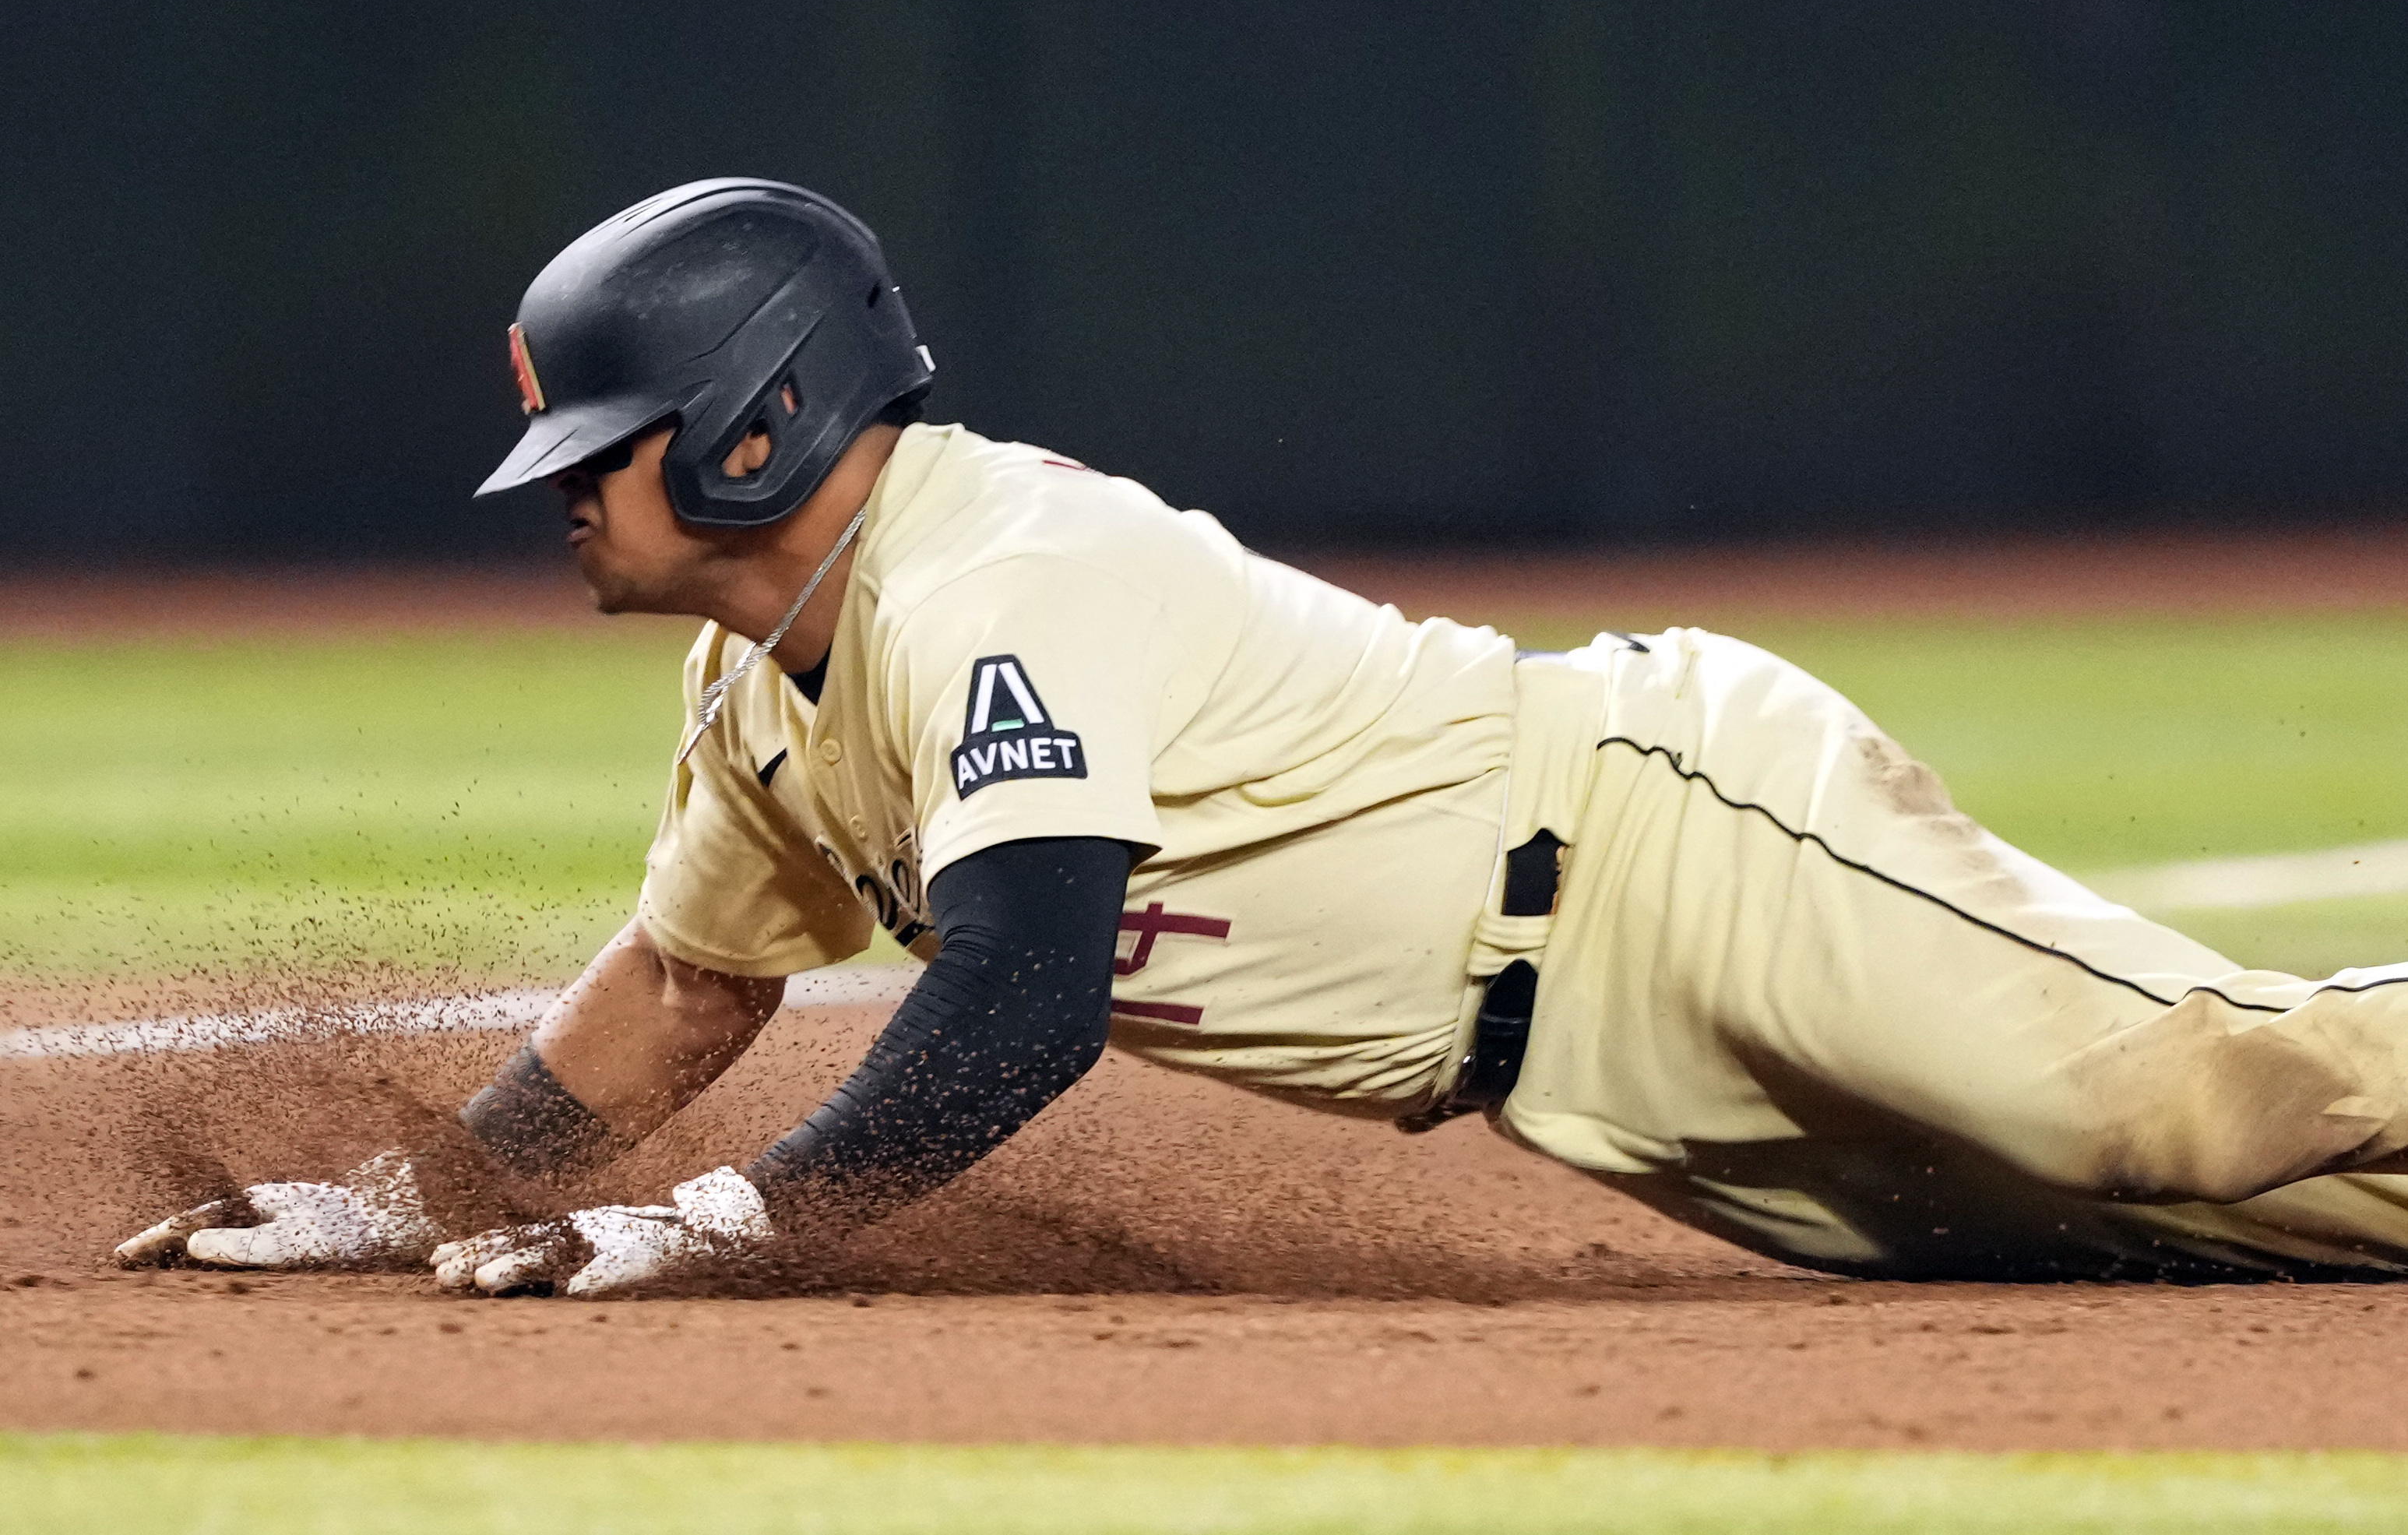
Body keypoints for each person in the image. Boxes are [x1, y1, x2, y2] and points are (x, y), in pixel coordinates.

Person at [116, 178, 2408, 1297]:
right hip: (1579, 1076)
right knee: (2245, 1240)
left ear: (753, 427)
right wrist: (419, 1197)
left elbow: (1016, 995)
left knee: (2182, 1106)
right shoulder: (761, 677)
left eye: (594, 452)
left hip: (1671, 850)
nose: (563, 504)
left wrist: (740, 1226)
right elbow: (696, 982)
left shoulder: (987, 577)